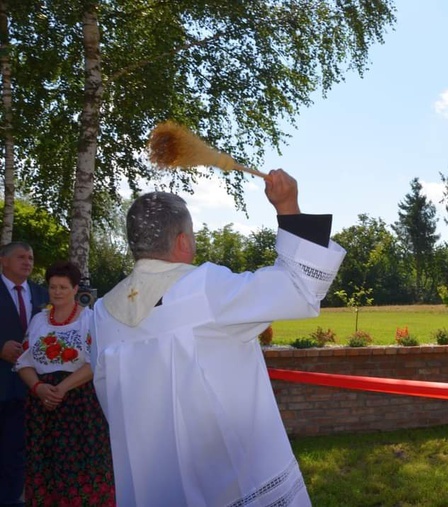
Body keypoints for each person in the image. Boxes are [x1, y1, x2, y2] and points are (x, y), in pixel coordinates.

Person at [91, 169, 346, 506]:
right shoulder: (204, 290)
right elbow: (300, 288)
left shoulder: (101, 314)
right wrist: (288, 206)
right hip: (227, 479)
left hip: (154, 483)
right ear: (183, 240)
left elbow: (113, 399)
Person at [14, 261, 115, 506]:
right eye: (52, 287)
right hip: (43, 406)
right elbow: (23, 361)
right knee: (46, 465)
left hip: (79, 405)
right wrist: (38, 388)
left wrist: (61, 388)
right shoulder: (38, 320)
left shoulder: (89, 319)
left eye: (63, 287)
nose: (57, 292)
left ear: (75, 289)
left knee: (82, 467)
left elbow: (95, 361)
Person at [0, 242, 48, 506]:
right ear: (3, 260)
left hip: (27, 387)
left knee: (15, 451)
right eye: (21, 257)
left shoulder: (42, 295)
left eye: (30, 257)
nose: (28, 262)